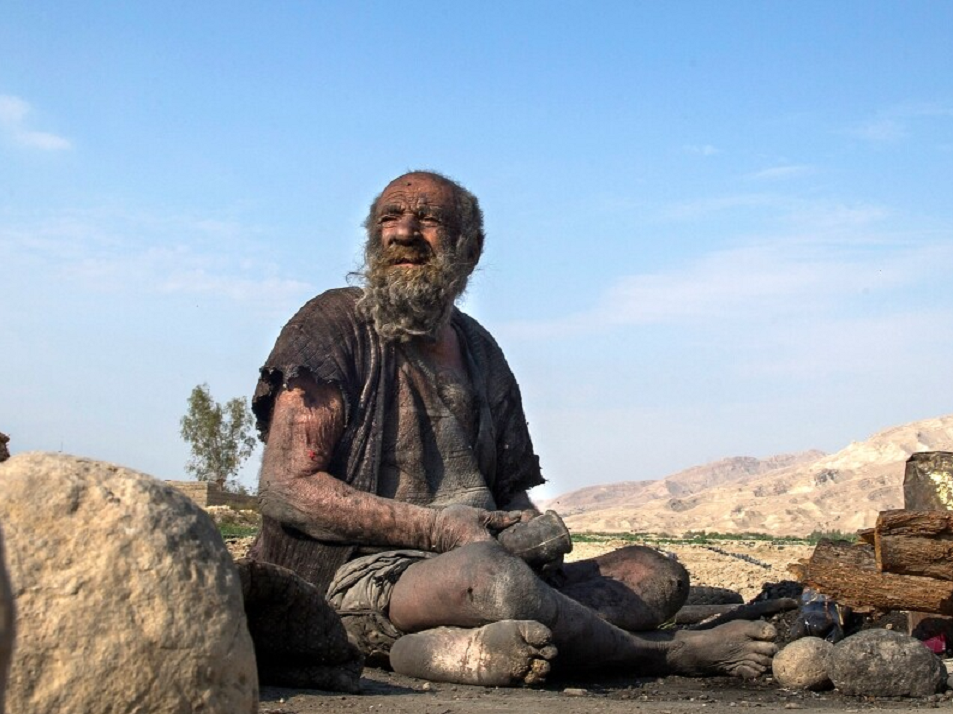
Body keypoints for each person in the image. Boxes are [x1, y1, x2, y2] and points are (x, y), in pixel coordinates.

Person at [247, 171, 777, 687]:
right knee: (493, 580)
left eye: (427, 219)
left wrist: (529, 528)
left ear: (469, 249)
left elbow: (508, 492)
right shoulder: (331, 324)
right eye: (391, 217)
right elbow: (286, 489)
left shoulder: (480, 349)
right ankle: (662, 655)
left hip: (481, 562)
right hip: (364, 574)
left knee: (654, 575)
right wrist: (436, 530)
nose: (404, 232)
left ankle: (448, 650)